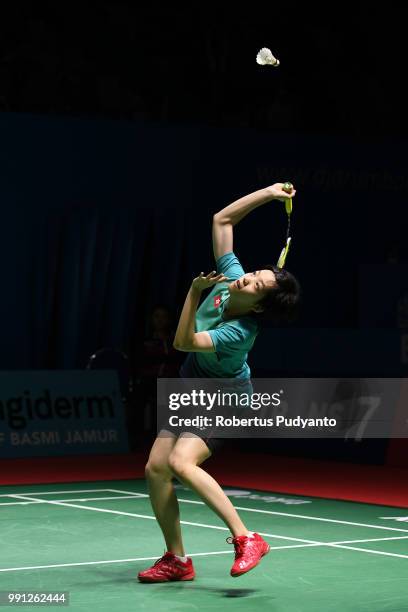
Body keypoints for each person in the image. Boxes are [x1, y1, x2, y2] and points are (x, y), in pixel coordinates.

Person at [138, 183, 301, 582]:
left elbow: (183, 342)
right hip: (190, 387)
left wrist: (194, 294)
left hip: (224, 399)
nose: (246, 278)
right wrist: (269, 193)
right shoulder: (232, 276)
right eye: (254, 273)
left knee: (180, 462)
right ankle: (177, 560)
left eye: (255, 284)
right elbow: (222, 220)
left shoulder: (240, 332)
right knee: (156, 468)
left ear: (259, 304)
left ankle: (248, 538)